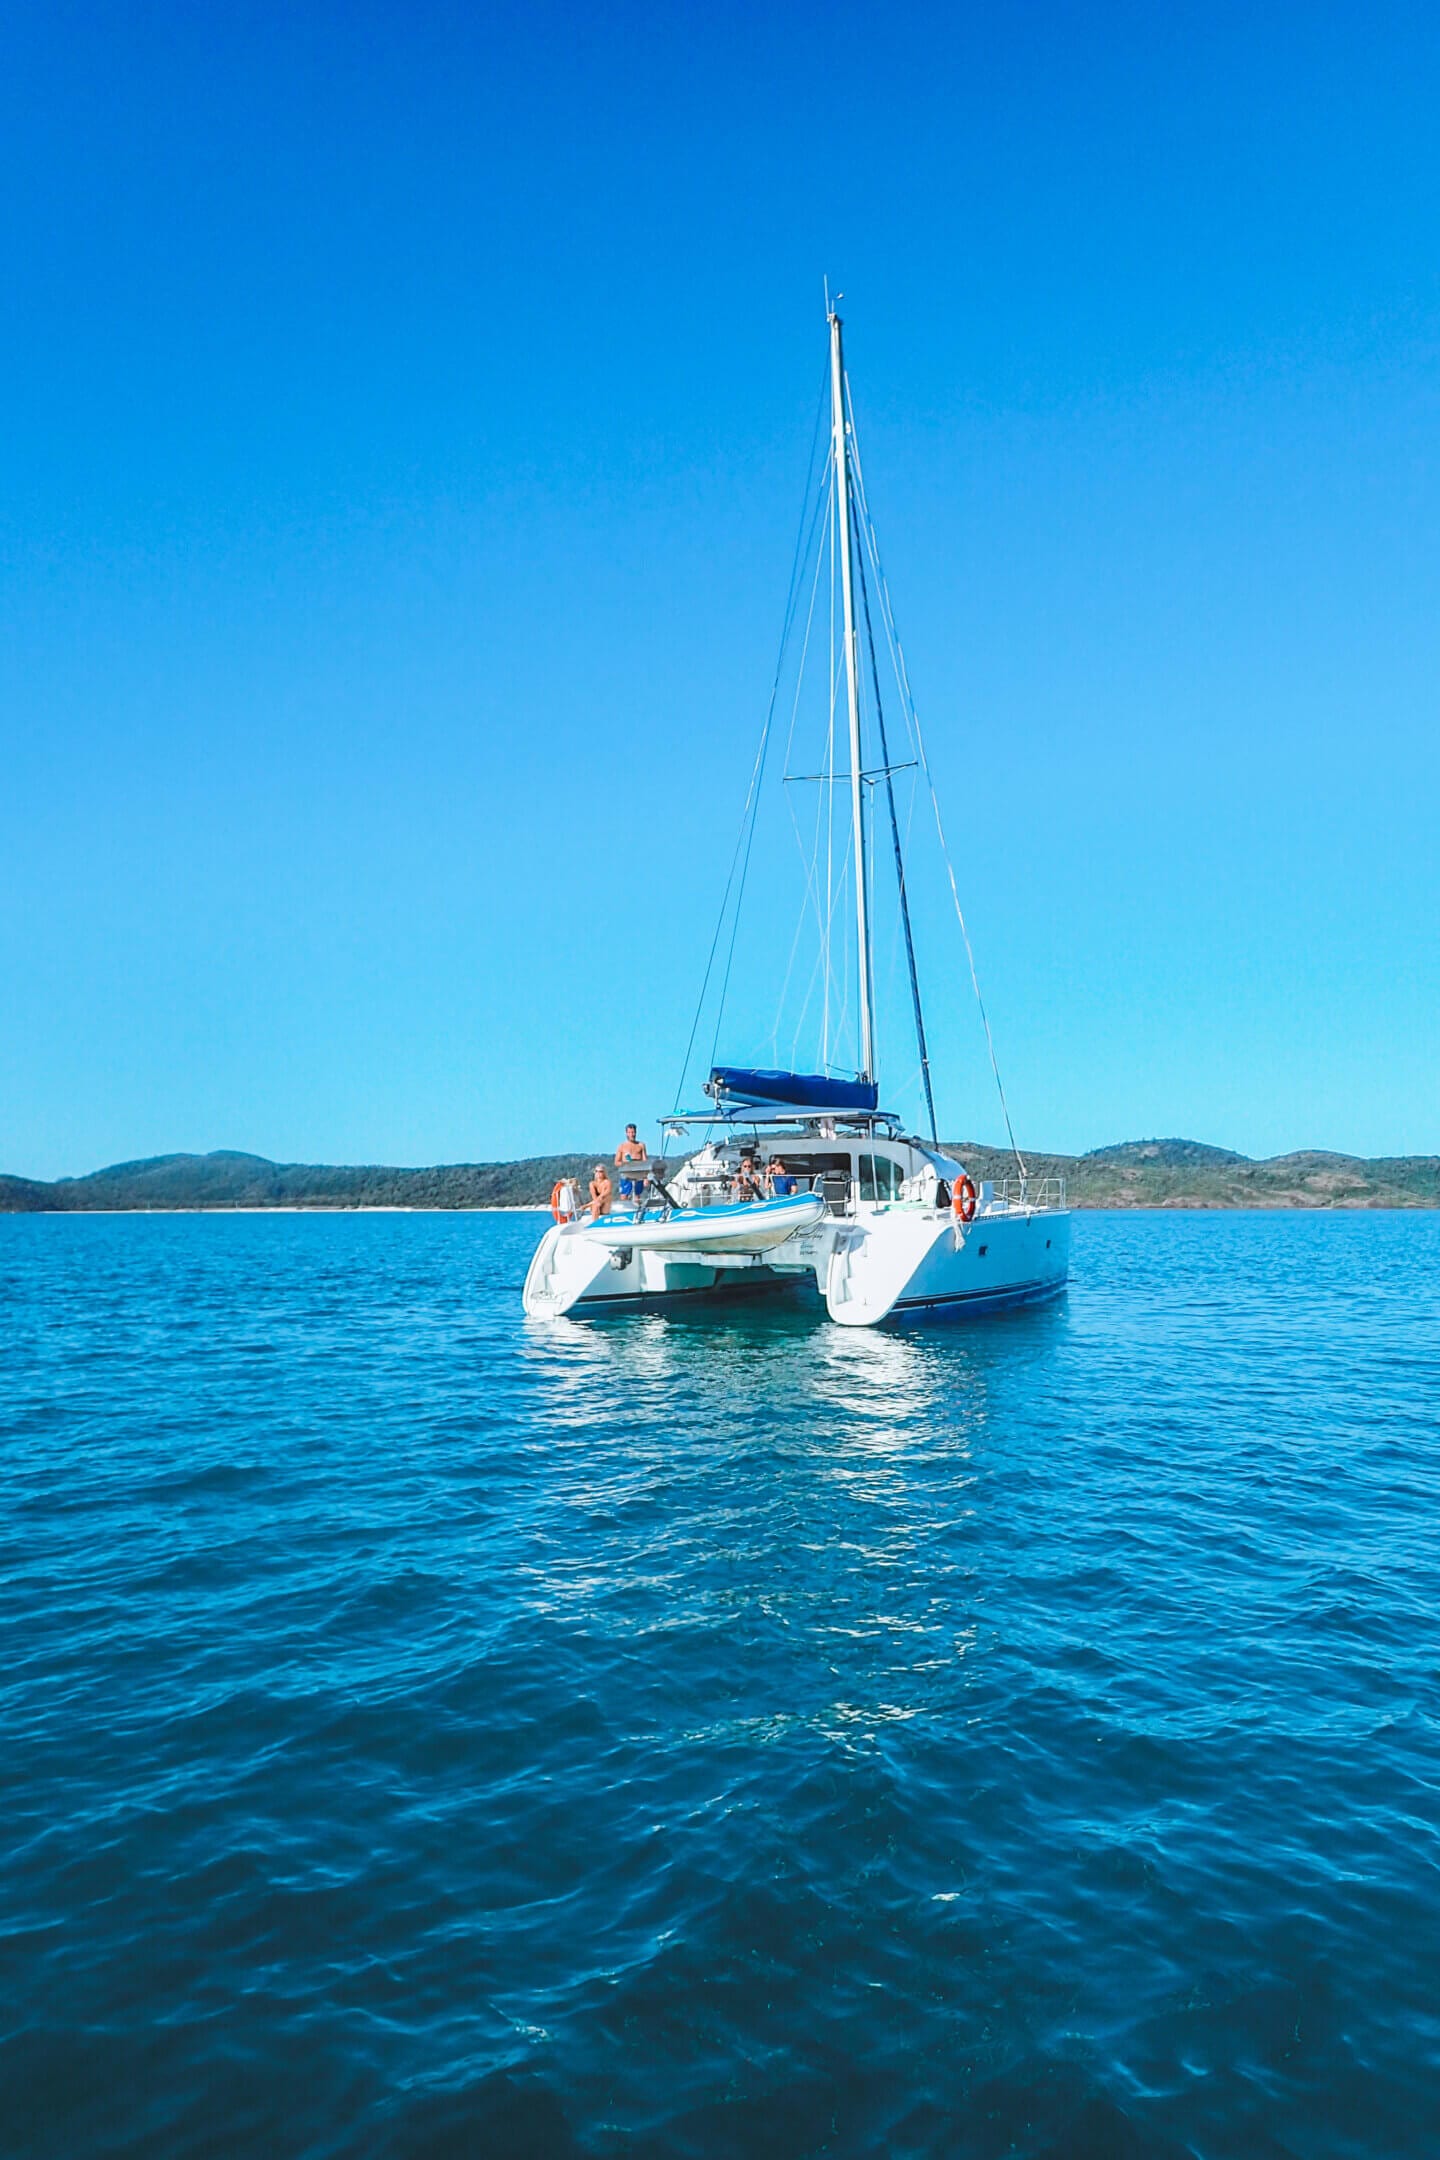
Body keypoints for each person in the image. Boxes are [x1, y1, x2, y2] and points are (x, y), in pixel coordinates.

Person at [614, 1123, 647, 1203]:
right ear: (626, 1133)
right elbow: (616, 1162)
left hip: (638, 1173)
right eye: (630, 1132)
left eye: (633, 1132)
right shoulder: (622, 1146)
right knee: (624, 1194)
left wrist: (646, 1178)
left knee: (637, 1195)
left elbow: (645, 1162)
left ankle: (637, 1210)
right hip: (626, 1173)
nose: (632, 1134)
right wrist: (626, 1164)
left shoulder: (641, 1145)